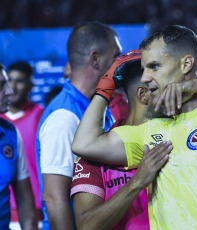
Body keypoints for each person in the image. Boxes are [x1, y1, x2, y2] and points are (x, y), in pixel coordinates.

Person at [72, 25, 197, 229]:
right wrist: (107, 84)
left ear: (186, 64)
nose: (145, 77)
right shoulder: (151, 130)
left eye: (154, 67)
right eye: (144, 69)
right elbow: (84, 144)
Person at [36, 21, 121, 230]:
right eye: (116, 57)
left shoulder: (96, 107)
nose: (121, 64)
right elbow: (54, 198)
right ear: (95, 59)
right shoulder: (64, 116)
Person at [0, 61, 44, 225]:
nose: (10, 90)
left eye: (19, 81)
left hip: (34, 211)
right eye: (4, 83)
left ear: (30, 85)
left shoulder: (39, 116)